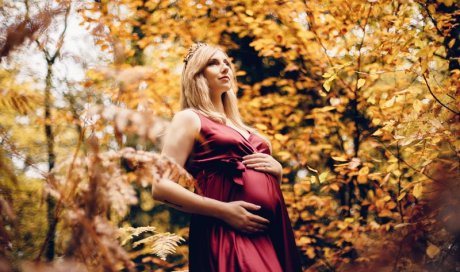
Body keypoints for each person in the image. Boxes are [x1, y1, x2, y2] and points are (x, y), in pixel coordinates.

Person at [155, 43, 301, 271]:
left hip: (269, 231)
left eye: (227, 63)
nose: (225, 68)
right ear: (197, 74)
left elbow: (263, 188)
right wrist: (225, 211)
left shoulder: (249, 131)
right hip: (225, 229)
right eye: (213, 63)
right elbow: (160, 186)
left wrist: (277, 173)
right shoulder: (190, 118)